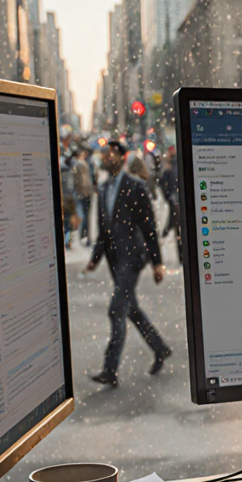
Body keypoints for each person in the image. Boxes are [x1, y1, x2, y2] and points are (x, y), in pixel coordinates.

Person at [87, 141, 172, 387]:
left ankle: (110, 369)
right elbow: (104, 230)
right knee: (130, 310)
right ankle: (160, 348)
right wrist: (94, 259)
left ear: (122, 158)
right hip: (115, 260)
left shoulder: (135, 187)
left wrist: (157, 263)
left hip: (132, 258)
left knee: (116, 310)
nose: (106, 157)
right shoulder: (103, 190)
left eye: (111, 153)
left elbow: (149, 228)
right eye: (104, 154)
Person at [159, 147, 182, 263]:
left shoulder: (169, 168)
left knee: (177, 225)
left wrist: (168, 196)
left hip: (175, 200)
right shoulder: (175, 166)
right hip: (176, 199)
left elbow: (163, 183)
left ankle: (167, 229)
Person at [73, 148, 95, 247]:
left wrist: (79, 192)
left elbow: (78, 180)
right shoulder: (85, 163)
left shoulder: (78, 164)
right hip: (87, 192)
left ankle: (84, 235)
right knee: (86, 215)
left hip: (83, 192)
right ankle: (86, 236)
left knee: (83, 215)